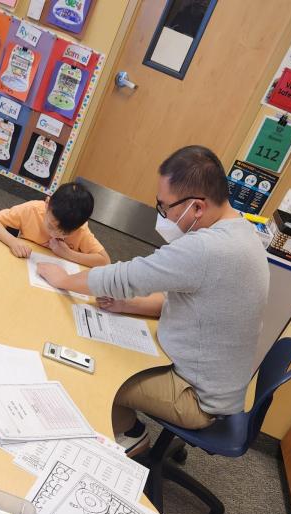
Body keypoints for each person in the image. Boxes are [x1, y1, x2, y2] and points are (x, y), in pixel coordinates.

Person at [37, 145, 268, 454]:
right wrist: (128, 306)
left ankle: (131, 434)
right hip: (213, 378)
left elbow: (125, 277)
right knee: (116, 337)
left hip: (197, 398)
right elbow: (189, 300)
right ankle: (131, 426)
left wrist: (63, 279)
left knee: (98, 368)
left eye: (165, 207)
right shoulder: (242, 232)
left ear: (197, 207)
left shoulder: (207, 249)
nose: (164, 216)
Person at [0, 182, 110, 267]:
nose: (54, 234)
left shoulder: (81, 230)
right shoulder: (32, 210)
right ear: (47, 203)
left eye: (65, 233)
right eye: (51, 226)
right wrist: (13, 242)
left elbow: (105, 261)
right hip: (24, 265)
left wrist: (68, 254)